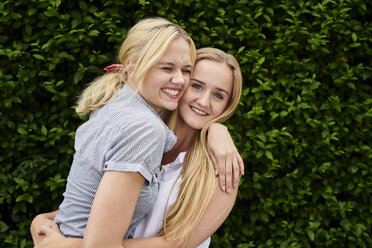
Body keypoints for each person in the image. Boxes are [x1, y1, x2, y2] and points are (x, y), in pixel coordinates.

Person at [31, 47, 243, 248]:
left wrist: (73, 245)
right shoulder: (140, 136)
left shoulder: (223, 168)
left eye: (218, 95)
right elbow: (99, 208)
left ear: (227, 105)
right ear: (182, 82)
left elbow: (176, 243)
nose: (204, 101)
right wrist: (42, 220)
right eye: (197, 85)